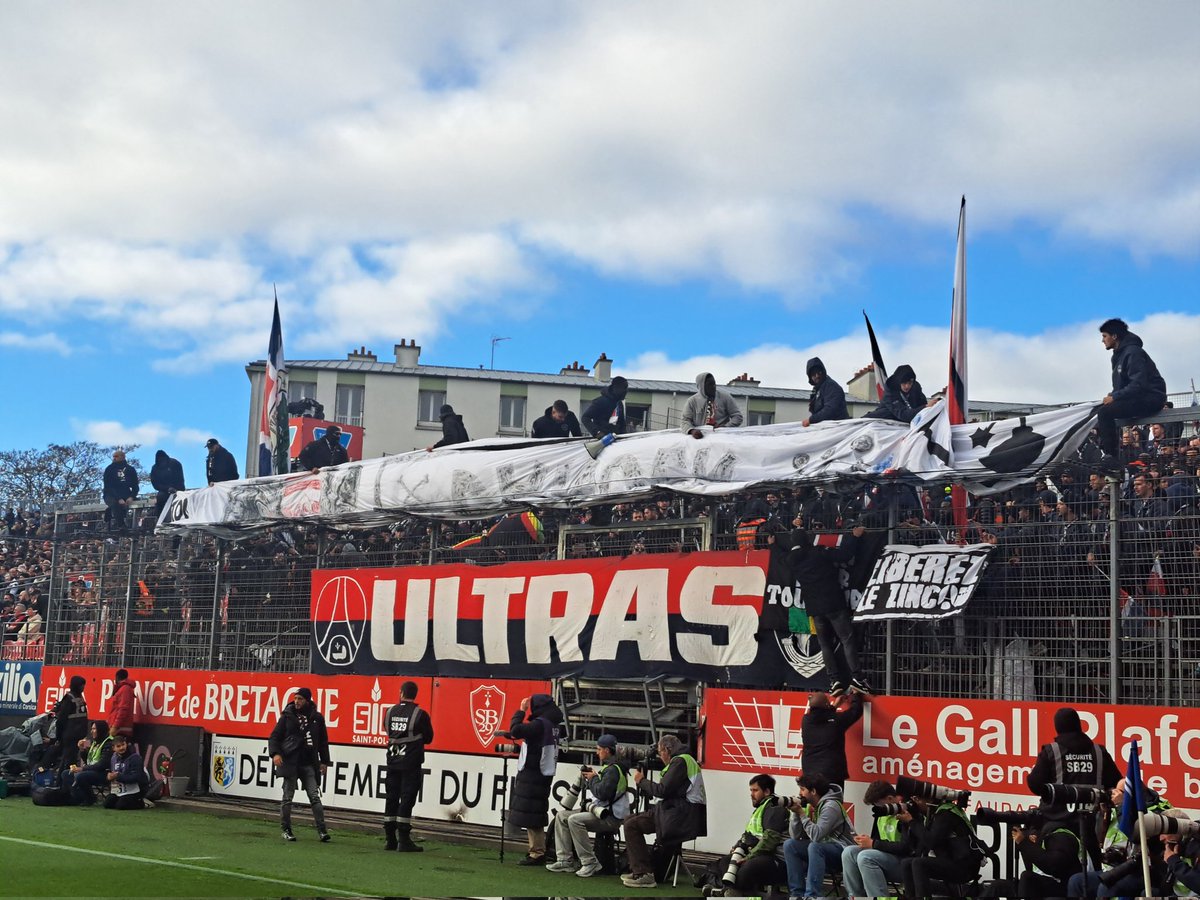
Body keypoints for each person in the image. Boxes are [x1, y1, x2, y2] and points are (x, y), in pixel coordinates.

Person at [1027, 707, 1121, 870]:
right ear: (1079, 725)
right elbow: (1116, 783)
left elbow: (1035, 784)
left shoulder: (1051, 751)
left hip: (1057, 825)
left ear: (1058, 727)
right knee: (1094, 875)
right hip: (1092, 826)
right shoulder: (1099, 752)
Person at [784, 525, 871, 697]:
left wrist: (772, 545)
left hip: (815, 610)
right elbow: (845, 555)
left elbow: (779, 555)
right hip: (834, 603)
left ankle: (834, 681)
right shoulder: (819, 552)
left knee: (825, 644)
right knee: (847, 639)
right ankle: (858, 678)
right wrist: (853, 537)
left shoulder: (790, 560)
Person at [621, 734, 708, 888]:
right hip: (681, 812)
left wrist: (642, 781)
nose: (660, 757)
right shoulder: (686, 760)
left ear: (667, 750)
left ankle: (644, 874)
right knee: (629, 820)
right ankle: (639, 869)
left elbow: (662, 790)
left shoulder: (680, 761)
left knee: (631, 825)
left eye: (661, 752)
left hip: (678, 815)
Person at [546, 734, 630, 878]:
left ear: (607, 750)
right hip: (601, 812)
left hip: (610, 818)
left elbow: (602, 793)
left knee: (574, 820)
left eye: (599, 749)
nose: (597, 752)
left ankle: (589, 862)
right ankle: (565, 860)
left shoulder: (613, 770)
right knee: (561, 816)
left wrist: (593, 778)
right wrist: (594, 777)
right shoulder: (612, 767)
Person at [1096, 317, 1168, 473]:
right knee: (1102, 409)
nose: (1102, 340)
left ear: (1114, 336)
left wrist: (1115, 397)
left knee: (1105, 413)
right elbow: (1124, 386)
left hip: (1151, 397)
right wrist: (1114, 395)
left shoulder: (1133, 352)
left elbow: (1138, 384)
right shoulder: (1118, 355)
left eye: (1104, 336)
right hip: (1138, 397)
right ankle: (1111, 458)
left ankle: (1111, 458)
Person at [705, 774, 789, 896]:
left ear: (766, 791)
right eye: (751, 790)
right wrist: (737, 846)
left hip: (775, 859)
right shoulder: (760, 808)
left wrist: (748, 857)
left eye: (755, 790)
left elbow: (769, 842)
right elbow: (749, 833)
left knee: (745, 870)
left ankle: (728, 891)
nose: (751, 794)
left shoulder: (776, 809)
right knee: (725, 862)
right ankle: (730, 891)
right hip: (758, 854)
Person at [506, 693, 565, 865]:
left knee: (532, 813)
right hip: (542, 773)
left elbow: (516, 730)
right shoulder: (552, 724)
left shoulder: (541, 724)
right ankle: (537, 850)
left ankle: (537, 852)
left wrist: (520, 711)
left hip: (534, 774)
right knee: (535, 812)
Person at [268, 687, 332, 842]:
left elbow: (323, 741)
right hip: (290, 762)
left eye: (300, 699)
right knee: (287, 798)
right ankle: (286, 829)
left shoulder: (317, 718)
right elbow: (274, 737)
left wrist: (324, 761)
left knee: (314, 797)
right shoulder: (287, 716)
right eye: (295, 698)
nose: (297, 701)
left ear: (307, 700)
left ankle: (322, 831)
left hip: (308, 763)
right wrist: (275, 753)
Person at [783, 772, 856, 899]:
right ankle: (797, 894)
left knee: (815, 846)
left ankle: (812, 895)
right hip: (824, 850)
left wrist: (801, 813)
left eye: (802, 789)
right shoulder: (812, 806)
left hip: (843, 851)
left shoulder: (831, 806)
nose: (800, 794)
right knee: (790, 845)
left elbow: (816, 836)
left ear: (813, 791)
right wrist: (795, 813)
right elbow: (795, 836)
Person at [842, 780, 919, 900]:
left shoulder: (907, 812)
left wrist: (873, 844)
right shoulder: (882, 813)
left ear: (889, 799)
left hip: (905, 863)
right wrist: (866, 842)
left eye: (878, 805)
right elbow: (876, 840)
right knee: (849, 852)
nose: (877, 808)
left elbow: (906, 847)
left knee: (866, 857)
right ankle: (856, 897)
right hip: (886, 858)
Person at [900, 791, 982, 899]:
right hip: (952, 861)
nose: (914, 804)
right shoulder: (934, 814)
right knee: (906, 863)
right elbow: (920, 848)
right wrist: (907, 823)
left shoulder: (946, 813)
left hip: (965, 867)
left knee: (919, 864)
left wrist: (912, 822)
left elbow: (931, 841)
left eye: (917, 800)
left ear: (929, 800)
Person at [382, 680, 434, 852]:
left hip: (392, 761)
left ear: (401, 693)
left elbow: (388, 731)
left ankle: (390, 839)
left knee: (391, 797)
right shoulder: (420, 714)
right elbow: (428, 738)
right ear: (415, 694)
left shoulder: (389, 712)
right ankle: (403, 840)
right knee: (407, 798)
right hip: (411, 763)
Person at [801, 690, 863, 792]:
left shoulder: (806, 721)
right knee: (832, 804)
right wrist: (856, 695)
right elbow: (855, 711)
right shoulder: (836, 721)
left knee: (813, 805)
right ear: (826, 704)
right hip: (832, 775)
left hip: (810, 775)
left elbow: (823, 716)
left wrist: (834, 706)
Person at [681, 372, 744, 439]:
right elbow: (685, 421)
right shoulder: (692, 401)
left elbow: (737, 417)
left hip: (722, 437)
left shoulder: (725, 397)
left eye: (714, 383)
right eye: (709, 384)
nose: (713, 386)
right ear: (701, 386)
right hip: (700, 438)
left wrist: (724, 427)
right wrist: (692, 431)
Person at [67, 721, 114, 805]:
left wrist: (82, 769)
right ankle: (76, 797)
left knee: (80, 776)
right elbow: (87, 760)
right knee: (66, 774)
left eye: (94, 729)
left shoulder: (109, 743)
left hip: (104, 773)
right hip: (92, 770)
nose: (92, 731)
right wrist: (82, 749)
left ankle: (90, 798)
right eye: (91, 729)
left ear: (101, 730)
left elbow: (102, 765)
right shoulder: (93, 742)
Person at [103, 733, 151, 809]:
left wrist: (118, 776)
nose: (122, 748)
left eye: (123, 745)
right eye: (118, 746)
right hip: (120, 790)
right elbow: (112, 772)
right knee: (108, 804)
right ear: (113, 748)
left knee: (121, 806)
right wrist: (108, 777)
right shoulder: (113, 758)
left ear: (126, 744)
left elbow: (136, 777)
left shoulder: (135, 758)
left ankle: (142, 803)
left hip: (136, 790)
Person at [53, 674, 89, 771]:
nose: (83, 687)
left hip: (79, 735)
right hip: (70, 736)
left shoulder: (80, 698)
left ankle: (65, 782)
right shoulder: (68, 698)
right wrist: (59, 736)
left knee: (72, 760)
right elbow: (61, 719)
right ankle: (62, 783)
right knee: (68, 761)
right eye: (81, 685)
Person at [802, 358, 849, 426]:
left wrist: (811, 420)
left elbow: (830, 410)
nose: (817, 376)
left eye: (819, 372)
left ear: (823, 371)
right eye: (813, 374)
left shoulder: (831, 386)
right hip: (826, 428)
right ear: (810, 377)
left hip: (837, 428)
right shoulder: (817, 390)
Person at [102, 449, 139, 532]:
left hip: (125, 493)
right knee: (115, 504)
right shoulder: (109, 469)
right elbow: (108, 486)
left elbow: (135, 485)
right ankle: (121, 525)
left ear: (122, 457)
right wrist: (119, 498)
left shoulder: (130, 469)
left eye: (116, 456)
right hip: (110, 494)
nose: (114, 458)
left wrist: (132, 496)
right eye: (113, 456)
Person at [149, 450, 185, 520]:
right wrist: (167, 488)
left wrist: (177, 489)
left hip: (178, 489)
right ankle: (160, 519)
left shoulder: (175, 463)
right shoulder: (155, 468)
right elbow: (155, 483)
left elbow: (180, 479)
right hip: (164, 491)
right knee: (160, 497)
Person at [108, 668, 135, 739]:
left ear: (117, 677)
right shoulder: (123, 689)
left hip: (120, 730)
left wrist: (115, 726)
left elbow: (123, 709)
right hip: (119, 729)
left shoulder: (125, 689)